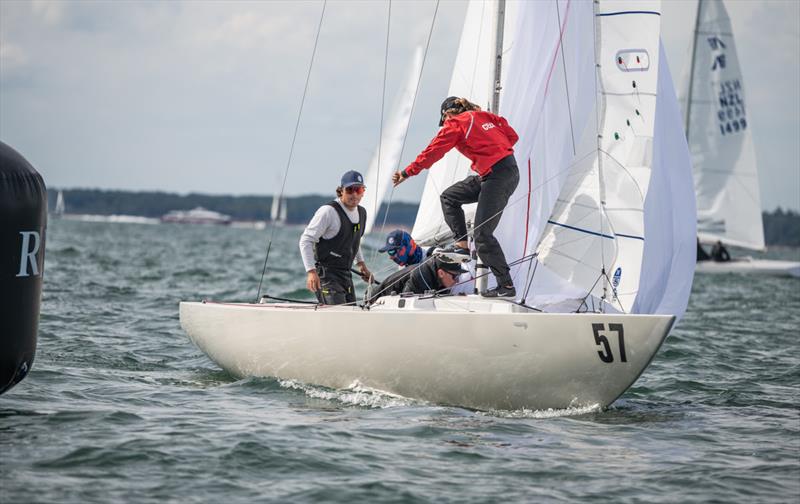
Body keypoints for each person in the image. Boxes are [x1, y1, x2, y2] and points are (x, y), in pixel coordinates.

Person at [391, 96, 520, 298]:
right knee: (449, 197)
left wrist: (407, 172)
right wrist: (486, 149)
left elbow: (433, 151)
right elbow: (512, 137)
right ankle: (462, 246)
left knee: (483, 235)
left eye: (443, 122)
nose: (444, 126)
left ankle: (507, 286)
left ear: (447, 114)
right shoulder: (485, 116)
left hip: (498, 176)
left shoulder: (456, 123)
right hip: (499, 172)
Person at [299, 170, 372, 304]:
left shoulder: (362, 213)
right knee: (340, 315)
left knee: (351, 314)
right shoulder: (328, 211)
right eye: (350, 190)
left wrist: (361, 265)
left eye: (359, 190)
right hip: (326, 275)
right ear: (341, 191)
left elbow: (354, 241)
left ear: (363, 192)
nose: (354, 194)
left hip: (346, 274)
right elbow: (306, 240)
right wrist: (311, 272)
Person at [368, 258, 463, 304]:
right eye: (455, 276)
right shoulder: (420, 276)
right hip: (373, 303)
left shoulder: (440, 280)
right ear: (441, 273)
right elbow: (405, 305)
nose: (457, 281)